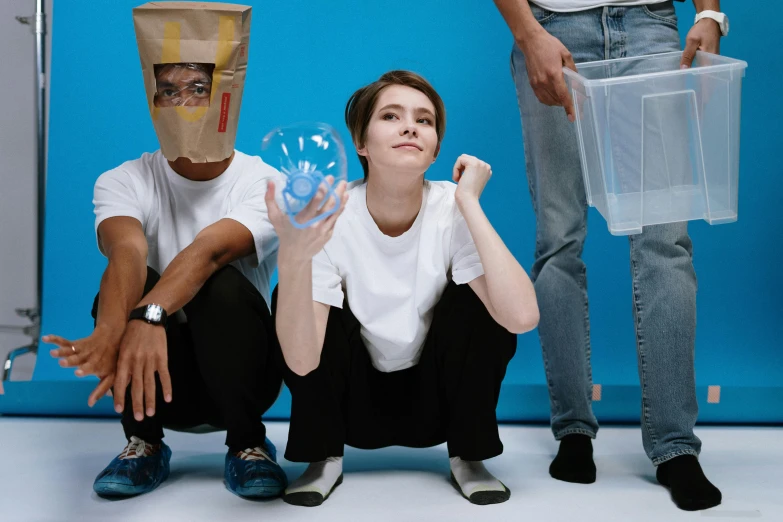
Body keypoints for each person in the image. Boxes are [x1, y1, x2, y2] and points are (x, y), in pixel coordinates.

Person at [44, 4, 287, 498]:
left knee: (220, 286)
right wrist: (115, 329)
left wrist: (147, 316)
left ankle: (248, 444)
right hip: (153, 378)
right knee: (131, 278)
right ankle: (144, 444)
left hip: (244, 378)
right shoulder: (123, 179)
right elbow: (127, 251)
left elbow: (211, 253)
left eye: (199, 88)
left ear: (225, 95)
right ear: (153, 99)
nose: (184, 102)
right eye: (169, 90)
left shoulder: (265, 182)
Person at [493, 0, 727, 511]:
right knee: (559, 237)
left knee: (664, 239)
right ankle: (573, 429)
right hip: (552, 29)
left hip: (650, 25)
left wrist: (710, 14)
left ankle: (675, 446)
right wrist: (527, 33)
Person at [267, 70, 540, 507]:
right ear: (362, 143)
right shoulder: (332, 214)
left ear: (434, 150)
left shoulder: (450, 205)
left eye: (425, 121)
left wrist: (469, 203)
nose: (411, 126)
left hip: (435, 399)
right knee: (294, 292)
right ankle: (322, 458)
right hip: (352, 401)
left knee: (478, 298)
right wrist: (293, 258)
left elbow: (521, 317)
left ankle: (469, 456)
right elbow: (301, 362)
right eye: (391, 116)